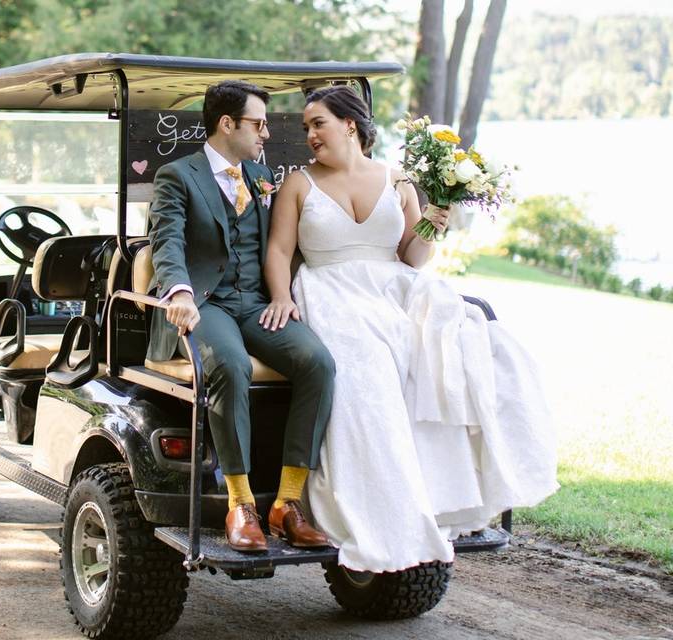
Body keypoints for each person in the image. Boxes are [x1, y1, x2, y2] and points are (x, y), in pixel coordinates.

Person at [262, 85, 558, 572]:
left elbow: (413, 257)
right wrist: (281, 295)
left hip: (393, 288)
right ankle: (381, 509)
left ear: (350, 125)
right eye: (307, 127)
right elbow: (278, 251)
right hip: (331, 290)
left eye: (318, 124)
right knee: (368, 368)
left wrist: (435, 220)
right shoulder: (299, 183)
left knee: (464, 339)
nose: (310, 134)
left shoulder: (396, 179)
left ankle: (441, 492)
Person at [147, 80, 334, 553]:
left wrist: (284, 294)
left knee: (319, 363)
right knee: (229, 366)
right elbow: (165, 241)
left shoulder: (260, 175)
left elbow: (277, 243)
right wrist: (181, 292)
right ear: (227, 124)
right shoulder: (178, 175)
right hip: (204, 301)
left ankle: (287, 503)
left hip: (254, 303)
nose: (267, 133)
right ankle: (240, 504)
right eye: (259, 123)